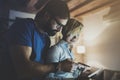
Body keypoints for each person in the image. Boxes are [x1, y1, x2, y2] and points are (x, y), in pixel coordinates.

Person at [0, 0, 73, 80]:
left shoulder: (46, 39)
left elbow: (43, 69)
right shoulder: (24, 27)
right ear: (47, 15)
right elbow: (23, 70)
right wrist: (59, 66)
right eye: (58, 24)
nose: (59, 30)